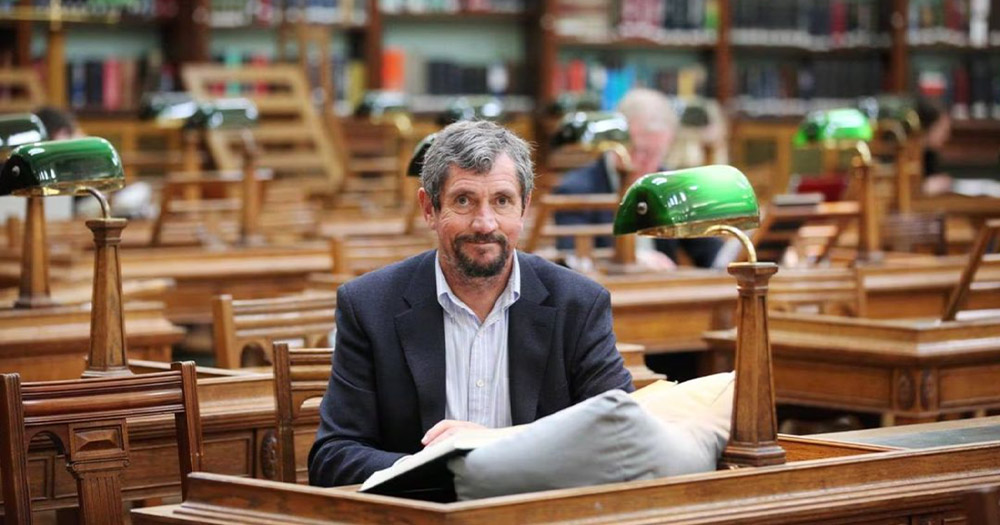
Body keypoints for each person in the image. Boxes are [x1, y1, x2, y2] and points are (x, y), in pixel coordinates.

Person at [308, 120, 634, 487]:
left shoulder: (579, 304)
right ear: (429, 208)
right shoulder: (369, 306)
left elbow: (620, 438)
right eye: (463, 201)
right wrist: (440, 467)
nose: (484, 223)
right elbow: (333, 457)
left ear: (524, 208)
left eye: (502, 201)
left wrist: (492, 446)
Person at [553, 88, 724, 268]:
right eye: (638, 150)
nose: (644, 162)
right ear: (615, 138)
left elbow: (710, 252)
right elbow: (572, 261)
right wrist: (634, 258)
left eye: (656, 154)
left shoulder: (670, 185)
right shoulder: (575, 189)